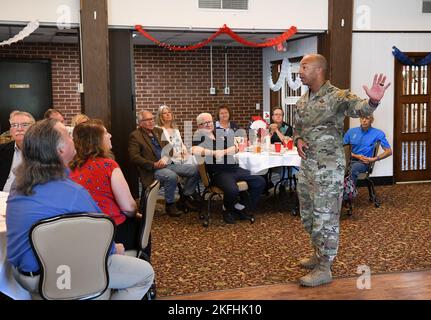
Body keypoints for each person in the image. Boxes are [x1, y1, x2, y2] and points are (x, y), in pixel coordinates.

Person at [6, 119, 154, 300]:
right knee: (145, 273)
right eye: (68, 135)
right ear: (60, 150)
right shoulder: (73, 193)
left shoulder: (19, 184)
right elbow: (100, 239)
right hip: (57, 275)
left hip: (23, 275)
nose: (73, 138)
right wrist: (116, 249)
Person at [293, 53, 390, 287]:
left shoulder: (337, 96)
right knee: (309, 215)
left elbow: (359, 107)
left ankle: (325, 268)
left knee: (326, 218)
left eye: (304, 66)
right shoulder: (302, 101)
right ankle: (318, 254)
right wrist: (297, 140)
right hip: (307, 168)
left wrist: (373, 102)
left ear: (318, 70)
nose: (300, 71)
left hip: (328, 170)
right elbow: (297, 128)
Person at [69, 120, 139, 250]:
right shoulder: (108, 165)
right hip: (110, 231)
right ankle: (141, 265)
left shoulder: (68, 167)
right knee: (141, 227)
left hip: (78, 233)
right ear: (96, 140)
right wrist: (136, 213)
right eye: (106, 133)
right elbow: (128, 207)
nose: (110, 135)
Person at [192, 113, 266, 224]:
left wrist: (223, 152)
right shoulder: (199, 137)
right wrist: (213, 153)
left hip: (234, 168)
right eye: (205, 123)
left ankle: (241, 207)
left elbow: (235, 148)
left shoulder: (218, 133)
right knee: (232, 189)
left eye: (210, 121)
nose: (208, 124)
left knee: (260, 181)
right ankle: (228, 210)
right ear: (199, 125)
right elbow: (194, 150)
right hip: (219, 173)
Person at [128, 110, 200, 217]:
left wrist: (166, 158)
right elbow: (134, 157)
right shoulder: (135, 136)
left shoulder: (158, 131)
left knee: (195, 169)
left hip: (167, 164)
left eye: (152, 119)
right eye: (147, 120)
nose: (151, 121)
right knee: (171, 176)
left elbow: (170, 149)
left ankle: (185, 196)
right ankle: (170, 204)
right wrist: (153, 164)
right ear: (140, 122)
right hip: (152, 169)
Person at [343, 115, 392, 185]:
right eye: (362, 118)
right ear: (360, 119)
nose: (364, 120)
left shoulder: (378, 133)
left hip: (363, 163)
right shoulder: (351, 132)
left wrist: (374, 159)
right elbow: (342, 150)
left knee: (353, 168)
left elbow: (389, 151)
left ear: (372, 120)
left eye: (367, 118)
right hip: (348, 160)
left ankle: (348, 194)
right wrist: (356, 156)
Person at [0, 111, 35, 192]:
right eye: (14, 125)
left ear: (33, 128)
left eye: (24, 125)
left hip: (29, 198)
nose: (19, 129)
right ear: (10, 130)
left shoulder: (43, 150)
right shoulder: (2, 150)